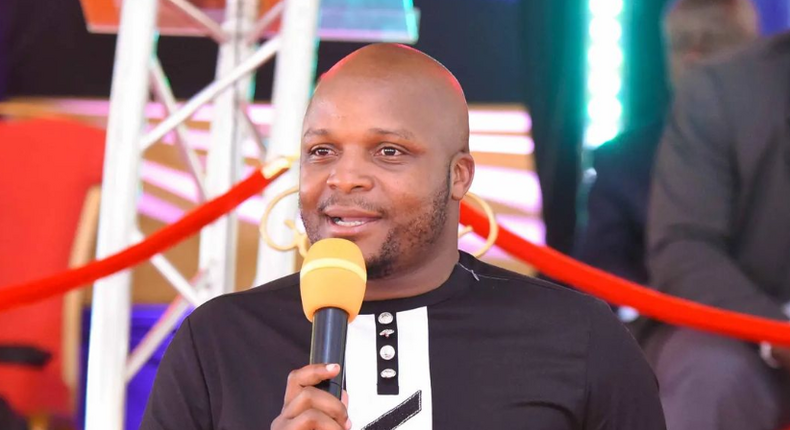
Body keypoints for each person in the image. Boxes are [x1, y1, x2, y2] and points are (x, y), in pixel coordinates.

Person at [140, 44, 665, 430]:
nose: (344, 178)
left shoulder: (576, 338)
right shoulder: (217, 341)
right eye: (322, 152)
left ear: (458, 176)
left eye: (388, 151)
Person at [646, 10, 790, 430]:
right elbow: (683, 247)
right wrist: (778, 333)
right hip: (744, 327)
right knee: (710, 375)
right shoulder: (722, 89)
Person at [575, 0, 759, 296]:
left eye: (713, 41)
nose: (694, 56)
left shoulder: (777, 147)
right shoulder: (620, 164)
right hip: (668, 328)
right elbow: (601, 276)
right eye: (681, 43)